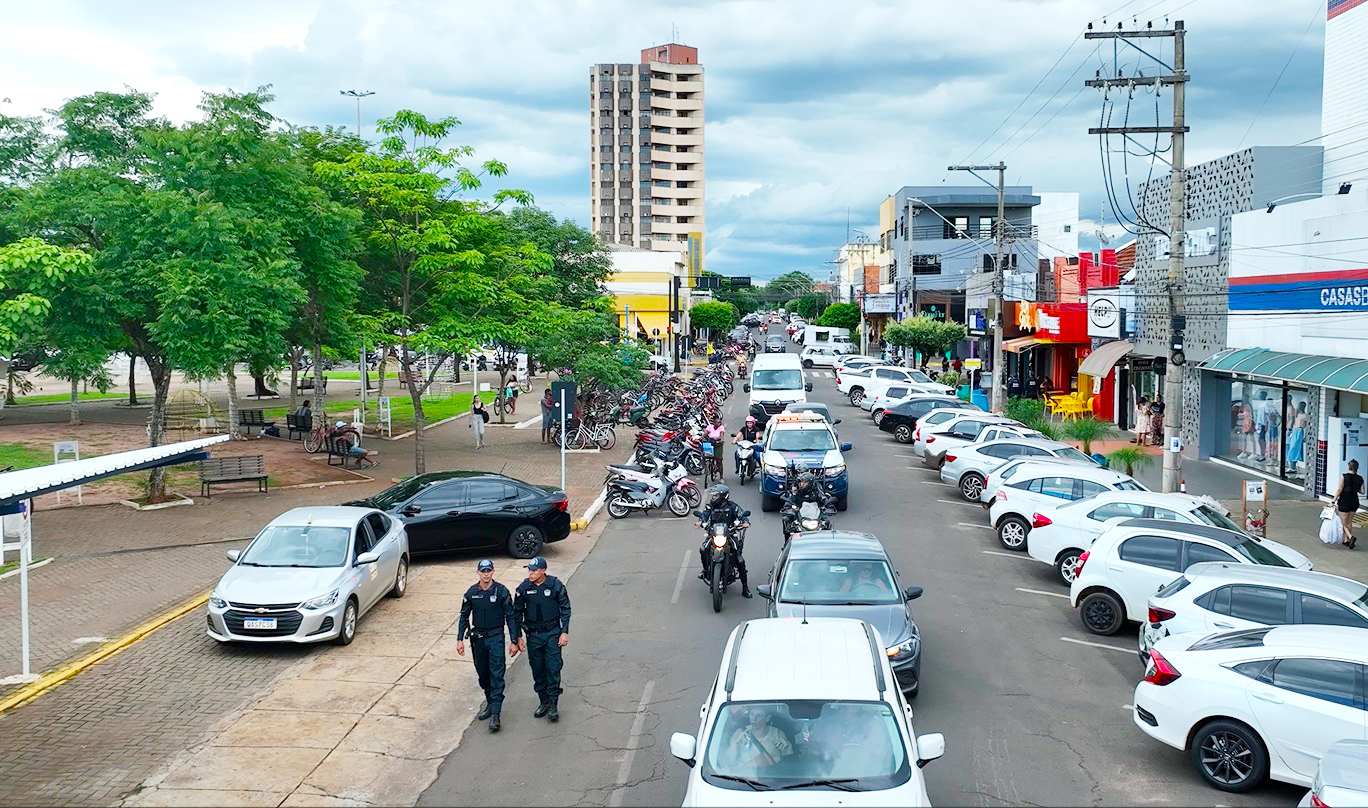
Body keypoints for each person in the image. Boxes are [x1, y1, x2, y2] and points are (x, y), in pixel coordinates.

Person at [456, 559, 521, 733]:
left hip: (496, 638)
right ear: (477, 573)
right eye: (483, 571)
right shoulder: (471, 593)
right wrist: (459, 638)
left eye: (489, 571)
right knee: (483, 674)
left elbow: (510, 616)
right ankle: (490, 703)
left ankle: (496, 714)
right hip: (478, 640)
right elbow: (464, 616)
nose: (486, 574)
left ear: (493, 572)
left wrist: (514, 640)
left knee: (497, 675)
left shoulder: (501, 591)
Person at [514, 556, 571, 721]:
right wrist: (517, 636)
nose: (530, 573)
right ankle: (543, 701)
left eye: (534, 570)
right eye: (529, 570)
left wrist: (564, 631)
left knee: (553, 669)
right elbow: (516, 613)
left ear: (543, 570)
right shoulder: (524, 588)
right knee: (538, 670)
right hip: (533, 635)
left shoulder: (555, 585)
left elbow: (565, 608)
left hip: (552, 633)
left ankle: (553, 703)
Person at [695, 484, 751, 598]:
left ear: (723, 496)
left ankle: (745, 587)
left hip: (729, 534)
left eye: (715, 496)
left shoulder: (732, 507)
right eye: (713, 496)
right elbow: (704, 516)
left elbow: (741, 515)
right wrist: (700, 521)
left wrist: (745, 522)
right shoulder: (710, 507)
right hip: (713, 534)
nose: (713, 498)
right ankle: (705, 570)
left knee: (739, 560)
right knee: (703, 549)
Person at [726, 706, 793, 770]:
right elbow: (727, 763)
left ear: (767, 718)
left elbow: (788, 765)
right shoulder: (740, 733)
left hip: (771, 778)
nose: (754, 719)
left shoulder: (777, 734)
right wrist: (736, 745)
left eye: (759, 715)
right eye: (752, 714)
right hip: (743, 778)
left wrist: (786, 748)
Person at [781, 472, 835, 540]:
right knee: (786, 519)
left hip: (816, 517)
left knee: (827, 522)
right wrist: (787, 507)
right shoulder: (797, 493)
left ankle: (827, 541)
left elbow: (823, 499)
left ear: (810, 483)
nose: (802, 484)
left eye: (805, 482)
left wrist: (829, 505)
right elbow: (790, 499)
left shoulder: (816, 493)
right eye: (801, 482)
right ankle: (787, 542)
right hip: (799, 516)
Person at [1334, 459, 1362, 550]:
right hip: (1354, 501)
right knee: (1349, 522)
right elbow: (1363, 491)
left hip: (1344, 501)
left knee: (1343, 523)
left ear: (1349, 466)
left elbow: (1339, 490)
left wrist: (1333, 500)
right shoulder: (1360, 478)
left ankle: (1351, 537)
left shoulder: (1344, 476)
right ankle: (1346, 540)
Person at [704, 414, 727, 481]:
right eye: (717, 422)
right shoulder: (709, 427)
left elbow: (722, 434)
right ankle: (707, 466)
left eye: (719, 422)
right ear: (714, 423)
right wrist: (700, 438)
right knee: (705, 456)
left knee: (719, 460)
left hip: (718, 444)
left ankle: (721, 477)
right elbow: (705, 433)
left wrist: (722, 440)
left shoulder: (721, 427)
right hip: (710, 442)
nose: (718, 423)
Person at [1287, 401, 1308, 465]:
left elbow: (1307, 426)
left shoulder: (1305, 416)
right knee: (1292, 446)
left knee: (1295, 447)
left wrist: (1306, 436)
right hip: (1294, 430)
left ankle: (1293, 463)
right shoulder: (1297, 414)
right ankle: (1291, 462)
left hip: (1299, 431)